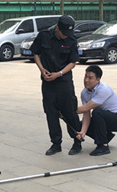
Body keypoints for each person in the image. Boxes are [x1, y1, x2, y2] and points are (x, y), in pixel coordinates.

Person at [32, 15, 83, 156]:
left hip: (64, 82)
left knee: (70, 112)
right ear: (57, 28)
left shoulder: (71, 40)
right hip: (48, 83)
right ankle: (56, 144)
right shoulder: (44, 36)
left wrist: (59, 73)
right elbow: (36, 53)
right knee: (51, 113)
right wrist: (42, 69)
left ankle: (77, 141)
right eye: (63, 33)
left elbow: (73, 62)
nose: (66, 36)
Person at [76, 65, 117, 156]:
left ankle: (103, 146)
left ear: (98, 80)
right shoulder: (84, 93)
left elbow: (86, 108)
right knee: (80, 124)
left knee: (97, 113)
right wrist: (83, 132)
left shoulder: (104, 89)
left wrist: (66, 112)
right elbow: (86, 114)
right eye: (85, 76)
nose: (86, 80)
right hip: (104, 118)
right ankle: (106, 136)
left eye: (90, 78)